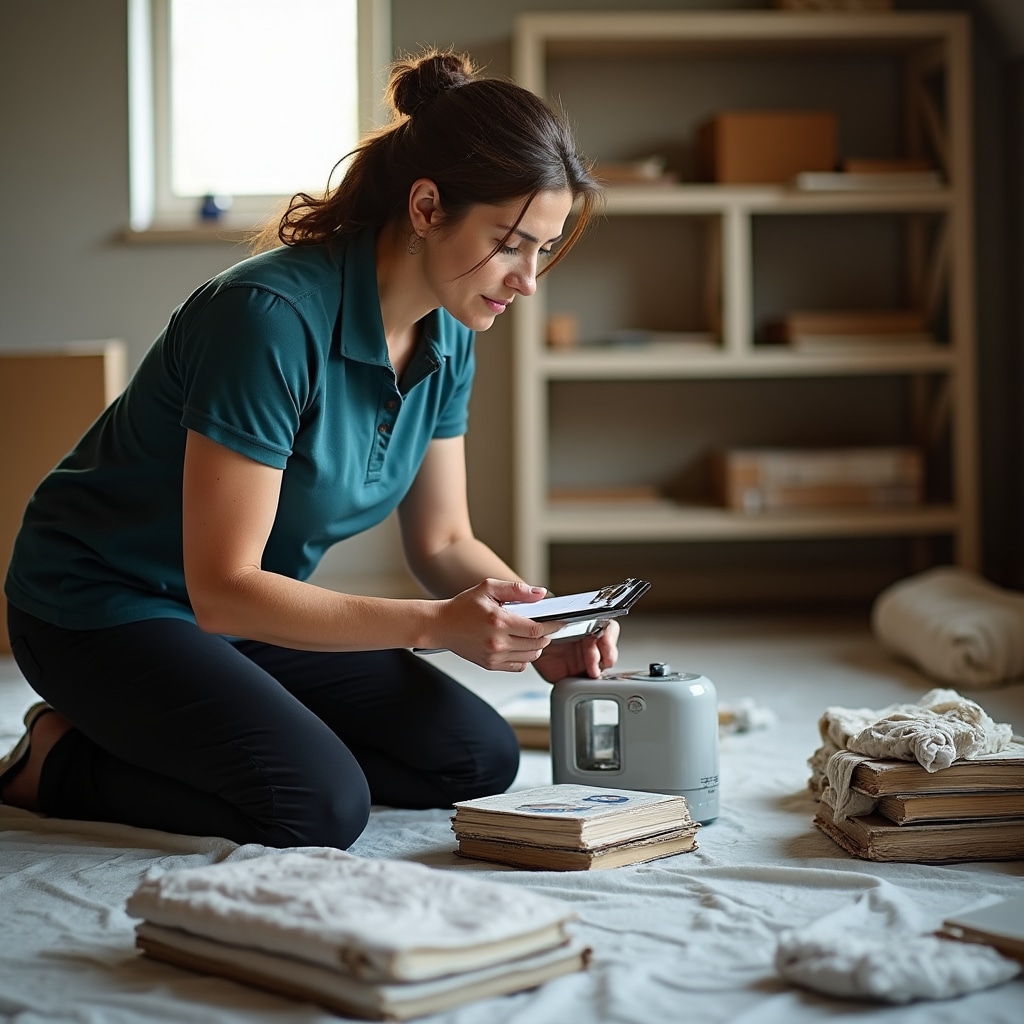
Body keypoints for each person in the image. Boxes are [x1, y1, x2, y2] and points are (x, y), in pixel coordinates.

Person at [0, 49, 615, 849]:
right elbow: (222, 588)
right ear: (426, 207)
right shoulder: (266, 318)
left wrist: (543, 622)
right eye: (509, 243)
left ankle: (181, 728)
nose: (527, 280)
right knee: (317, 807)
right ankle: (58, 759)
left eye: (543, 248)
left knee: (477, 757)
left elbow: (444, 541)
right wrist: (436, 625)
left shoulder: (451, 327)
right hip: (102, 607)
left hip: (244, 610)